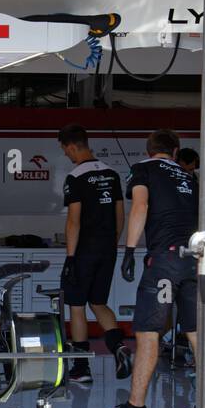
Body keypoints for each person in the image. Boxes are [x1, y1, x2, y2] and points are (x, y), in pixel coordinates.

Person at [96, 129, 199, 408]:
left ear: (149, 149)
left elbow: (140, 206)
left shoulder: (143, 169)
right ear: (176, 151)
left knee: (148, 331)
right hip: (194, 258)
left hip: (164, 261)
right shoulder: (189, 177)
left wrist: (129, 249)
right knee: (197, 334)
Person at [56, 123, 132, 384]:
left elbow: (73, 221)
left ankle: (81, 368)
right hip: (107, 248)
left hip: (84, 250)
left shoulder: (75, 176)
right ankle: (119, 347)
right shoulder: (112, 174)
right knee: (98, 303)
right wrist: (112, 242)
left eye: (66, 151)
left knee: (76, 306)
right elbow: (120, 215)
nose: (67, 155)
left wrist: (70, 256)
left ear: (72, 146)